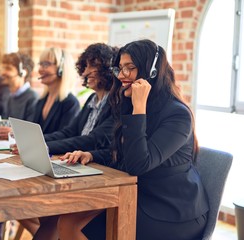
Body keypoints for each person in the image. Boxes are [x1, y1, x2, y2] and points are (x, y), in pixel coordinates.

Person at [57, 39, 209, 240]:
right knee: (67, 221)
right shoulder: (131, 104)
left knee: (74, 227)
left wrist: (139, 109)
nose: (121, 76)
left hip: (172, 209)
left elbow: (138, 164)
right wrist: (90, 155)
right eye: (120, 69)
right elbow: (124, 153)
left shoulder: (177, 115)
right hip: (139, 195)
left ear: (152, 72)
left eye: (130, 68)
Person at [18, 43, 118, 239]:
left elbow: (92, 140)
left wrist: (44, 145)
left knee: (50, 214)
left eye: (93, 66)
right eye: (85, 66)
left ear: (107, 69)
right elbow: (69, 131)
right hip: (78, 166)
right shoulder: (91, 101)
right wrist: (37, 141)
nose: (86, 72)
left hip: (98, 172)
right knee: (34, 208)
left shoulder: (116, 103)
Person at [0, 52, 39, 139]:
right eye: (3, 68)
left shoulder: (33, 98)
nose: (3, 73)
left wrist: (13, 133)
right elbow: (7, 127)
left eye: (8, 69)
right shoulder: (9, 96)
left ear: (23, 72)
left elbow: (31, 133)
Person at [33, 47, 80, 134]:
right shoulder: (41, 101)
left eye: (46, 64)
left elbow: (64, 137)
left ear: (61, 69)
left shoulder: (71, 103)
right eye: (40, 64)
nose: (40, 69)